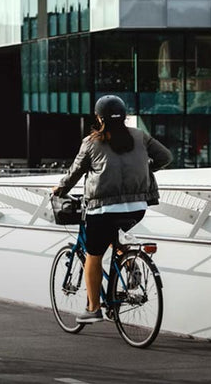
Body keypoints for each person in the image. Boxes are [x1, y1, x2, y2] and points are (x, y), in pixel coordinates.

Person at [53, 95, 171, 324]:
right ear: (124, 116)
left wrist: (60, 189)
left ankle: (93, 308)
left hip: (103, 210)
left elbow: (74, 173)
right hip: (137, 208)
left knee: (93, 257)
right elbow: (165, 157)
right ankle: (128, 260)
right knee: (114, 236)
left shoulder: (91, 142)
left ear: (98, 117)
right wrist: (148, 170)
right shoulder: (140, 136)